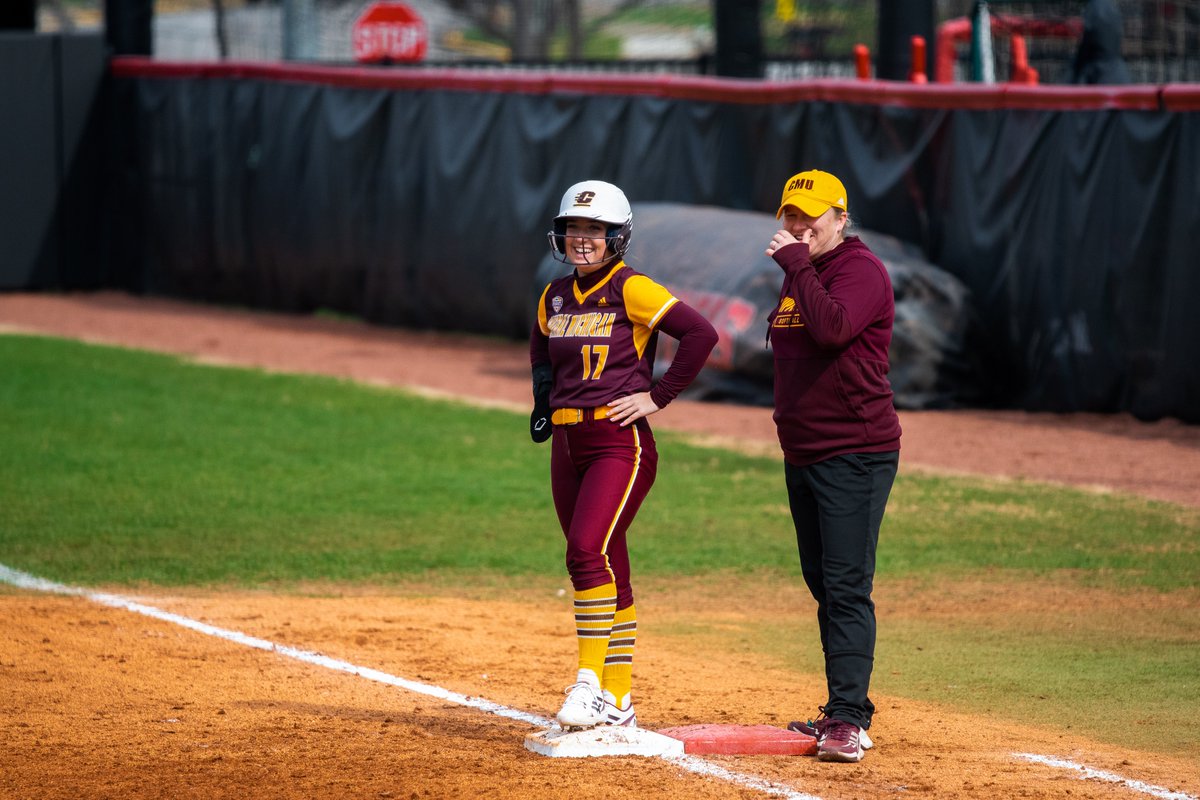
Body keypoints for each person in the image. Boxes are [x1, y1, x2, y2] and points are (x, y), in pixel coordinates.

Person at [529, 180, 718, 730]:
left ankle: (587, 684)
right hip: (567, 444)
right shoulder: (554, 295)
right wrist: (544, 400)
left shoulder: (631, 288)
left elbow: (700, 334)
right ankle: (617, 698)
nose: (581, 239)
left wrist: (656, 397)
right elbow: (542, 347)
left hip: (618, 442)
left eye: (594, 229)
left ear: (617, 237)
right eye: (573, 228)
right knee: (609, 561)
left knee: (585, 552)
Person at [763, 169, 902, 763]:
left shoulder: (859, 271)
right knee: (824, 582)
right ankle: (838, 709)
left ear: (841, 218)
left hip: (855, 449)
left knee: (846, 586)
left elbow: (834, 329)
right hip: (806, 450)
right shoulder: (807, 273)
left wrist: (795, 265)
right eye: (790, 216)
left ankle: (850, 718)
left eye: (811, 216)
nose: (798, 227)